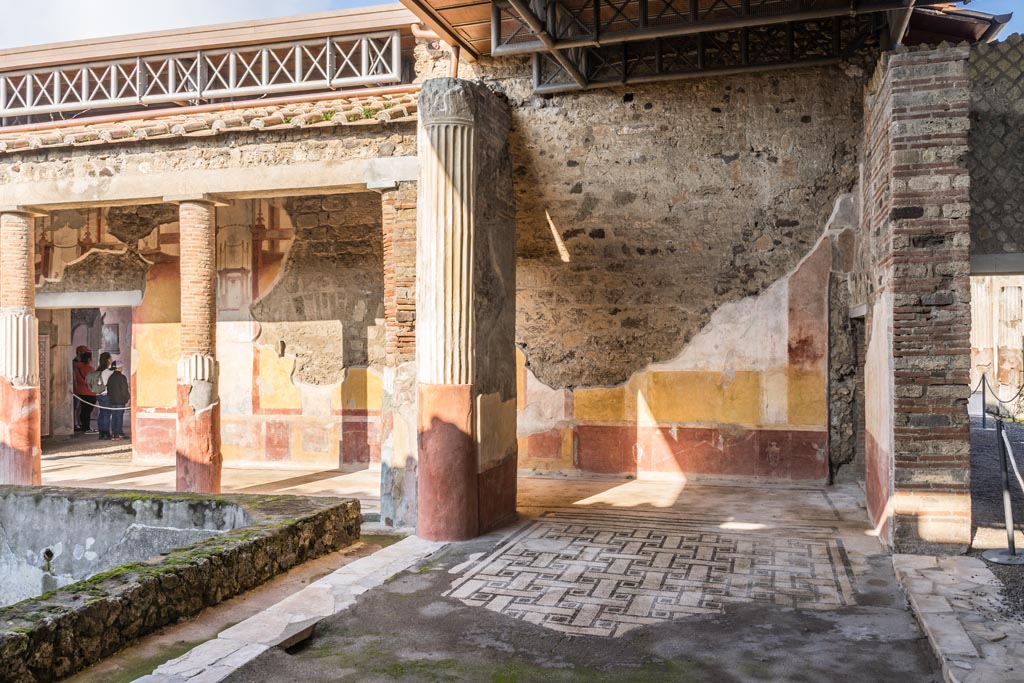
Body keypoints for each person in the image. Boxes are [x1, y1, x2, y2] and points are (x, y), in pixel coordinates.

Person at [73, 348, 97, 434]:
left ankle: (84, 427)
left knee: (84, 410)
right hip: (89, 392)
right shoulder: (89, 369)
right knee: (87, 411)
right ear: (89, 359)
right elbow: (94, 381)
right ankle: (86, 428)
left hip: (81, 391)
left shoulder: (78, 368)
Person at [105, 361, 130, 441]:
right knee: (119, 417)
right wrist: (126, 398)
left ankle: (114, 433)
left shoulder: (110, 377)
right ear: (119, 368)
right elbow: (124, 390)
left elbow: (108, 389)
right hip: (120, 401)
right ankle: (118, 434)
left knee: (114, 417)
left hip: (112, 400)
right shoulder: (122, 377)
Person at [91, 352, 112, 440]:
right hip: (106, 394)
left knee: (102, 413)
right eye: (110, 358)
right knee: (106, 414)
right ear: (108, 360)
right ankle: (106, 433)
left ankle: (101, 433)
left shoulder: (97, 371)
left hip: (98, 394)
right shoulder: (108, 371)